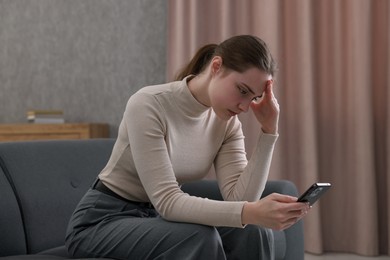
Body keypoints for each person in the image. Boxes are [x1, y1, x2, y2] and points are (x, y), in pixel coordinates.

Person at [65, 35, 310, 260]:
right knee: (200, 238)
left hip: (156, 221)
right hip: (102, 221)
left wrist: (269, 131)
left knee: (253, 232)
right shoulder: (149, 104)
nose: (245, 106)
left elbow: (242, 199)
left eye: (254, 97)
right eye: (242, 91)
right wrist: (251, 212)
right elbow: (168, 202)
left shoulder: (226, 123)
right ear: (216, 67)